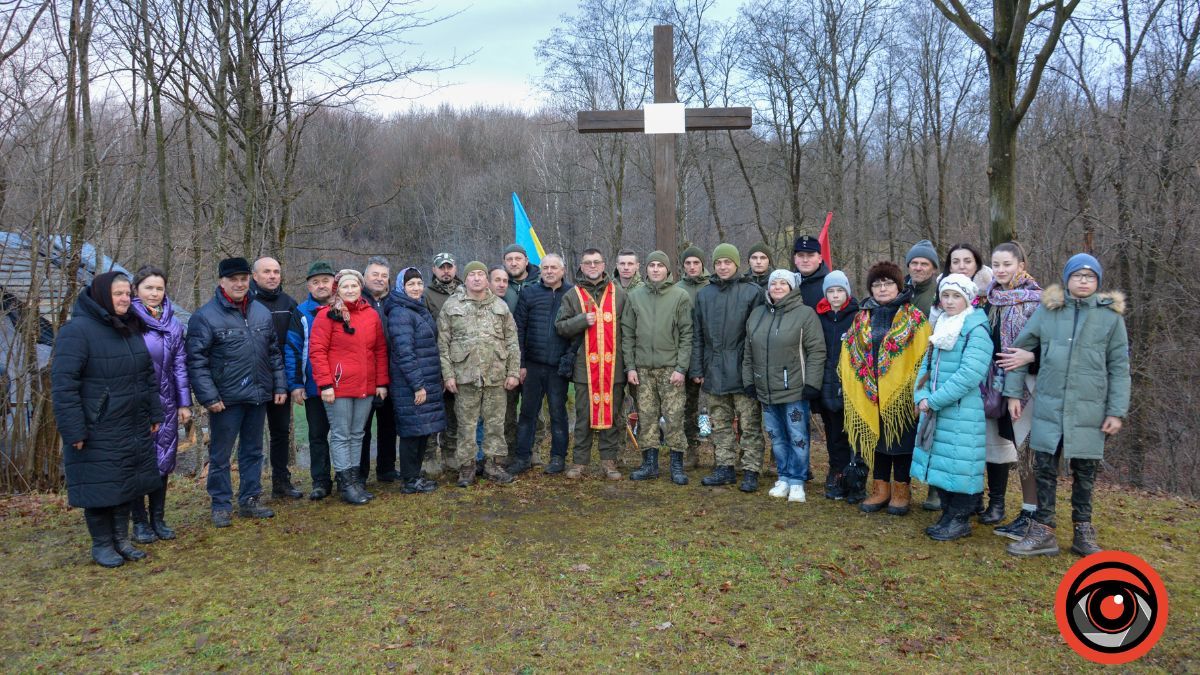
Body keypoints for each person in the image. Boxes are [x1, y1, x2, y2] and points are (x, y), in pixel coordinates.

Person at [1003, 254, 1130, 558]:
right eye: (1077, 275)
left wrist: (1116, 411)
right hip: (1049, 405)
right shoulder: (1049, 311)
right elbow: (1019, 351)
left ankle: (1083, 531)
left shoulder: (1110, 317)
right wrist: (1012, 395)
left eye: (1090, 276)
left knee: (1085, 471)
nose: (1083, 281)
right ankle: (1043, 531)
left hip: (1090, 410)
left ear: (1098, 281)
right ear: (1067, 279)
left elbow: (1120, 368)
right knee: (1044, 467)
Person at [52, 271, 163, 567]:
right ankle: (102, 544)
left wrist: (154, 412)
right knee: (100, 486)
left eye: (128, 293)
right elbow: (64, 386)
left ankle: (121, 540)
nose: (125, 298)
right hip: (97, 425)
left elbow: (147, 376)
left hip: (131, 423)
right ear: (102, 295)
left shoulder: (128, 327)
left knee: (125, 482)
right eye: (118, 294)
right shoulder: (76, 331)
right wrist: (73, 429)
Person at [187, 257, 286, 527]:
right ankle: (220, 504)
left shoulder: (261, 313)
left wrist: (279, 385)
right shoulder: (205, 317)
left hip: (258, 395)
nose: (240, 284)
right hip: (225, 400)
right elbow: (196, 361)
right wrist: (209, 397)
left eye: (243, 279)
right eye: (234, 279)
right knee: (220, 455)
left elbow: (273, 353)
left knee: (253, 451)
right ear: (222, 282)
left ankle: (250, 499)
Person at [840, 260, 930, 516]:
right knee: (878, 443)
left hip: (903, 394)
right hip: (871, 393)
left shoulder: (914, 318)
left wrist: (916, 393)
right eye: (876, 284)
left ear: (898, 285)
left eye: (887, 283)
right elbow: (850, 353)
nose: (882, 288)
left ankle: (901, 490)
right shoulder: (861, 317)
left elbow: (924, 357)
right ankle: (880, 488)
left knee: (900, 443)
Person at [912, 274, 994, 541]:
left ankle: (960, 518)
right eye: (945, 295)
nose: (949, 301)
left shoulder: (976, 329)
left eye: (956, 296)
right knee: (942, 463)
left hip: (961, 411)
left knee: (960, 464)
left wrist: (933, 401)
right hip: (937, 408)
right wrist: (920, 394)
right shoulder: (942, 325)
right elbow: (926, 365)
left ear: (968, 298)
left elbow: (969, 375)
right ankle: (948, 514)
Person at [743, 269, 826, 502]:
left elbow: (816, 351)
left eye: (783, 283)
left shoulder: (804, 314)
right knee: (776, 437)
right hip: (766, 389)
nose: (777, 287)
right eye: (774, 283)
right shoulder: (758, 314)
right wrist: (749, 380)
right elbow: (748, 352)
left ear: (792, 288)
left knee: (797, 436)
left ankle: (798, 480)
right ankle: (784, 477)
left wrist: (812, 382)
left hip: (795, 390)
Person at [309, 269, 389, 505]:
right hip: (338, 387)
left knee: (358, 433)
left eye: (354, 286)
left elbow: (379, 350)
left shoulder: (370, 315)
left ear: (360, 288)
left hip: (365, 386)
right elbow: (317, 352)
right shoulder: (326, 316)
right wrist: (325, 384)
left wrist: (381, 382)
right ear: (338, 289)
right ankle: (345, 483)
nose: (350, 290)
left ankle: (355, 481)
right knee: (341, 434)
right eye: (345, 287)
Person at [438, 261, 521, 487]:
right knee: (466, 425)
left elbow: (512, 341)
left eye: (481, 275)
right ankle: (467, 468)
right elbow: (443, 344)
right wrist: (448, 375)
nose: (476, 278)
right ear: (465, 279)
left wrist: (513, 372)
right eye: (472, 275)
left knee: (495, 423)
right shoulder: (452, 305)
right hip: (465, 376)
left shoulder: (500, 306)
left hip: (496, 375)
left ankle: (494, 465)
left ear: (487, 279)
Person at [690, 243, 765, 491]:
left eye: (727, 262)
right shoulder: (704, 295)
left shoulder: (752, 292)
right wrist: (697, 368)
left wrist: (753, 371)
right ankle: (724, 467)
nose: (723, 267)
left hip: (743, 371)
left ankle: (751, 469)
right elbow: (698, 335)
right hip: (713, 370)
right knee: (719, 423)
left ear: (736, 264)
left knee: (749, 424)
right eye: (718, 262)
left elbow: (757, 336)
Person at [128, 266, 191, 544]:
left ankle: (158, 518)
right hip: (135, 403)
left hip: (166, 402)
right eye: (148, 288)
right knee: (137, 462)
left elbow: (180, 366)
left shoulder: (173, 323)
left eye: (159, 288)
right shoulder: (128, 320)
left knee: (163, 460)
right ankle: (139, 522)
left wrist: (184, 403)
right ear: (136, 289)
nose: (154, 293)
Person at [985, 242, 1044, 539]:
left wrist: (1030, 357)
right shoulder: (992, 299)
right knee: (1021, 452)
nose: (1001, 270)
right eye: (996, 264)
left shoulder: (1037, 301)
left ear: (1021, 264)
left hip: (1029, 385)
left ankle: (1033, 515)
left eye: (1007, 264)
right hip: (1000, 386)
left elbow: (1053, 346)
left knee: (1029, 452)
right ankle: (1028, 512)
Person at [621, 250, 694, 485]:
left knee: (673, 417)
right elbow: (628, 335)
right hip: (642, 369)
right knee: (647, 417)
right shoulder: (634, 296)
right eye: (651, 265)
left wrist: (681, 368)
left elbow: (686, 335)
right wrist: (630, 367)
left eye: (659, 266)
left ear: (667, 269)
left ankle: (676, 465)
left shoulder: (679, 296)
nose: (655, 269)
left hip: (670, 368)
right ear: (646, 269)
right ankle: (649, 464)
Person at [556, 248, 629, 480]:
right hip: (583, 369)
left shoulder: (618, 293)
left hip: (613, 368)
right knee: (584, 416)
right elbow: (560, 326)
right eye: (588, 263)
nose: (593, 266)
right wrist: (580, 321)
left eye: (596, 262)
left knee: (612, 416)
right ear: (581, 266)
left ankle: (609, 461)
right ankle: (580, 462)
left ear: (604, 264)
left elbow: (628, 332)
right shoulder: (572, 295)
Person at [512, 253, 573, 475]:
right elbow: (518, 329)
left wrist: (569, 358)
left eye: (554, 268)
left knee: (558, 413)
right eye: (545, 267)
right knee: (528, 414)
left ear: (562, 271)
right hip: (533, 364)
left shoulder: (572, 294)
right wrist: (520, 363)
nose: (549, 271)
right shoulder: (530, 294)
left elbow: (577, 332)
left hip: (559, 367)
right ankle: (522, 457)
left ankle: (558, 458)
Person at [384, 268, 444, 493]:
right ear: (401, 287)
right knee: (412, 433)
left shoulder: (418, 309)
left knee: (422, 431)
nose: (417, 288)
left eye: (419, 283)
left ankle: (415, 476)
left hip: (426, 380)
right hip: (411, 384)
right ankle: (409, 480)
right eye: (411, 284)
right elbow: (404, 353)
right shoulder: (400, 313)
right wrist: (418, 385)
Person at [249, 256, 304, 500]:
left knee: (280, 433)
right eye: (267, 272)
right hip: (251, 381)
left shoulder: (289, 303)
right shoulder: (245, 302)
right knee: (251, 436)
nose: (272, 276)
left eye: (276, 271)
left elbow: (296, 345)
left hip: (281, 380)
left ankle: (281, 481)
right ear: (255, 276)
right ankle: (250, 489)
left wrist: (293, 381)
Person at [285, 261, 337, 499]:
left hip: (345, 386)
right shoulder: (302, 312)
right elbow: (293, 348)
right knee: (317, 435)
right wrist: (295, 384)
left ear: (333, 282)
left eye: (325, 281)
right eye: (316, 282)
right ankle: (321, 481)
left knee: (347, 434)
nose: (321, 286)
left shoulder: (345, 306)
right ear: (309, 285)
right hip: (315, 386)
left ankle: (350, 476)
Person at [815, 270, 859, 500]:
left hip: (849, 386)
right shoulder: (819, 317)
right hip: (826, 384)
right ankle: (836, 471)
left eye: (839, 290)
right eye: (830, 291)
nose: (835, 295)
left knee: (851, 433)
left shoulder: (857, 316)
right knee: (833, 433)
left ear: (847, 293)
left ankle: (854, 476)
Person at [359, 256, 398, 485]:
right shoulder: (355, 300)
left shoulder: (396, 300)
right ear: (365, 277)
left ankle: (386, 469)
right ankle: (360, 473)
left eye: (384, 275)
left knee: (389, 424)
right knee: (362, 428)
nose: (380, 279)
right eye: (375, 274)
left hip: (392, 372)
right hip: (365, 374)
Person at [425, 252, 463, 478]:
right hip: (434, 361)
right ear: (434, 270)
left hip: (459, 362)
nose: (446, 271)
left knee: (454, 413)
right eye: (442, 267)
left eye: (449, 266)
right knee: (431, 413)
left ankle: (451, 454)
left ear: (455, 268)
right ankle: (429, 456)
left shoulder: (464, 292)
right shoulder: (426, 294)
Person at [678, 246, 710, 470]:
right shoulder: (677, 289)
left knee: (721, 407)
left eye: (696, 263)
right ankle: (692, 449)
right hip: (686, 354)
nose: (692, 267)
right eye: (688, 263)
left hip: (711, 354)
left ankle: (728, 452)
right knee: (688, 406)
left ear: (702, 264)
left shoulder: (712, 286)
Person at [926, 243, 993, 328]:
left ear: (976, 265)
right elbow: (932, 324)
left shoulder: (990, 292)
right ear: (950, 267)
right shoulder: (942, 290)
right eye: (955, 262)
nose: (962, 266)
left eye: (968, 261)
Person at [791, 235, 830, 308]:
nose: (805, 260)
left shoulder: (831, 284)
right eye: (801, 255)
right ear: (795, 259)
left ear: (819, 259)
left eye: (810, 255)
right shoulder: (787, 283)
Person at [905, 239, 940, 316]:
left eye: (924, 264)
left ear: (934, 269)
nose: (918, 268)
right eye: (914, 263)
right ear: (908, 266)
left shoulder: (940, 294)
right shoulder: (897, 290)